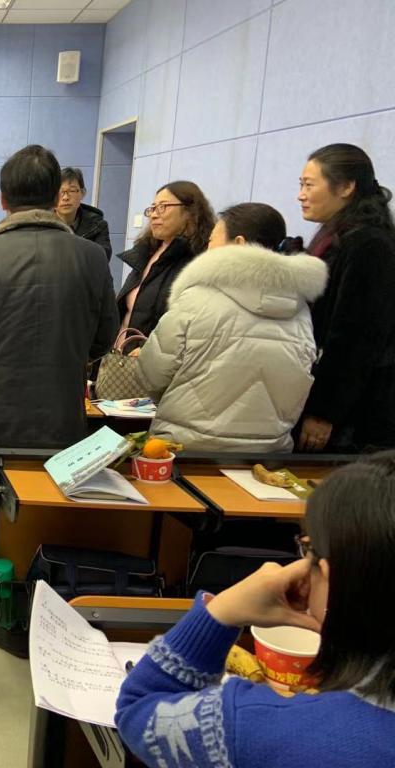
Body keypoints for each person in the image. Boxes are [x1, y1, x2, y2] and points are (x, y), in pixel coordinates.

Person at [116, 452, 395, 767]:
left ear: (333, 579)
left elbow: (138, 710)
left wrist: (221, 612)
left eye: (309, 549)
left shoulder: (253, 725)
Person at [0, 145, 118, 456]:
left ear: (3, 199)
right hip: (62, 420)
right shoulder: (93, 257)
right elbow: (104, 338)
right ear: (55, 196)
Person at [137, 203, 327, 452]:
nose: (207, 249)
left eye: (211, 241)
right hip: (268, 453)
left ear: (238, 243)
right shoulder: (301, 310)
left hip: (187, 449)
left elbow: (152, 375)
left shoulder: (197, 298)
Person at [296, 143, 395, 453]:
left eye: (309, 185)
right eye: (301, 185)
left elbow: (355, 338)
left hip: (355, 414)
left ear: (346, 187)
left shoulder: (368, 243)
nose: (300, 195)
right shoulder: (336, 236)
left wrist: (324, 412)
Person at [115, 181, 215, 338]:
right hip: (121, 349)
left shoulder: (199, 262)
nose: (154, 215)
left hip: (154, 351)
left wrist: (147, 347)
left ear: (190, 211)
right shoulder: (146, 252)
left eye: (163, 207)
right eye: (153, 208)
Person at [56, 167, 112, 259]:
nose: (65, 197)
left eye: (72, 191)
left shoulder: (97, 225)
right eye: (60, 191)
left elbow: (103, 258)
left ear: (82, 193)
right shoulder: (41, 223)